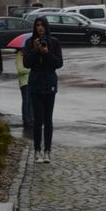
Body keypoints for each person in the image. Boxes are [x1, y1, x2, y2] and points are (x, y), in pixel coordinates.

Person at [23, 17, 63, 163]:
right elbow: (26, 63)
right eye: (37, 25)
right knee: (38, 120)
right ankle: (37, 150)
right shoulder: (29, 42)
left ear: (46, 27)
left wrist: (46, 53)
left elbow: (59, 63)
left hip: (50, 83)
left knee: (48, 119)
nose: (40, 28)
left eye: (42, 25)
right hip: (35, 84)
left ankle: (47, 150)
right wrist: (35, 50)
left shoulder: (54, 42)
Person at [15, 46, 31, 128]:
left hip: (31, 81)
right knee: (26, 101)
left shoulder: (28, 54)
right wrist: (30, 69)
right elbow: (20, 70)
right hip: (24, 82)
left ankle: (30, 118)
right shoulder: (19, 55)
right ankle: (26, 119)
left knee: (30, 102)